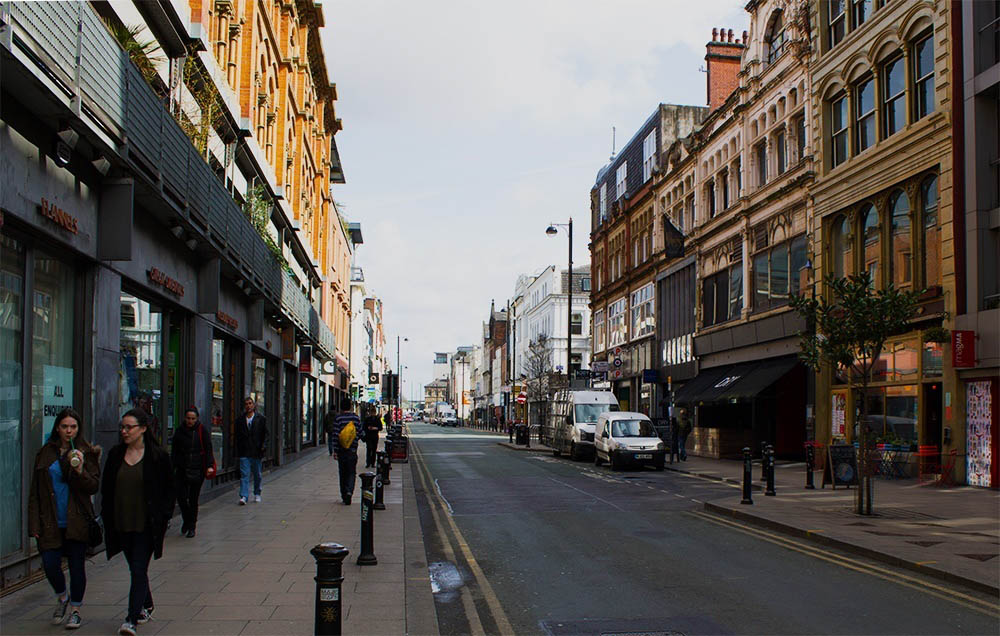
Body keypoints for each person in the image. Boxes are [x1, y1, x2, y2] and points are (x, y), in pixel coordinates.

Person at [101, 408, 174, 636]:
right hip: (121, 523)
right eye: (122, 427)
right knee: (136, 568)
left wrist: (164, 516)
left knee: (139, 568)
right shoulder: (115, 455)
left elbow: (169, 490)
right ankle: (147, 604)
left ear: (143, 429)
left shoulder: (157, 457)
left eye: (129, 427)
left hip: (146, 525)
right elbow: (107, 489)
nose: (124, 431)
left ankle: (131, 619)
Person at [28, 407, 100, 630]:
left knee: (77, 566)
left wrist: (79, 471)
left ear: (78, 429)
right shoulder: (45, 453)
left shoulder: (85, 452)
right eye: (64, 427)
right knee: (50, 564)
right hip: (50, 521)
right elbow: (35, 493)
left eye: (73, 427)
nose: (69, 431)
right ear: (57, 428)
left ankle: (76, 610)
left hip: (76, 521)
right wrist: (34, 524)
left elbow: (93, 486)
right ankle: (62, 597)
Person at [170, 407, 215, 538]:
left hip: (197, 469)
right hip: (182, 469)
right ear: (185, 418)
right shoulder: (179, 432)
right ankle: (186, 520)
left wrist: (209, 465)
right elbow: (175, 452)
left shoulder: (202, 431)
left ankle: (192, 526)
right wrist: (172, 467)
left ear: (197, 419)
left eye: (193, 419)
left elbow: (208, 449)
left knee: (193, 499)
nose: (190, 421)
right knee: (182, 499)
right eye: (188, 418)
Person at [235, 396, 267, 504]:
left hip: (256, 452)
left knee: (257, 474)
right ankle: (244, 496)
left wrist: (263, 446)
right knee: (245, 475)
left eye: (250, 403)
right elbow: (237, 436)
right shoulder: (240, 420)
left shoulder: (261, 419)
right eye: (246, 404)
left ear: (253, 405)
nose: (248, 406)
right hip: (244, 451)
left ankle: (257, 493)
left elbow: (266, 434)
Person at [330, 396, 360, 504]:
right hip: (352, 451)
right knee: (352, 472)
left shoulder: (338, 418)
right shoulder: (356, 418)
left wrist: (335, 451)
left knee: (342, 473)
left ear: (341, 407)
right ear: (351, 406)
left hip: (342, 451)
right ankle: (349, 492)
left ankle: (344, 495)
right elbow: (359, 432)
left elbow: (335, 435)